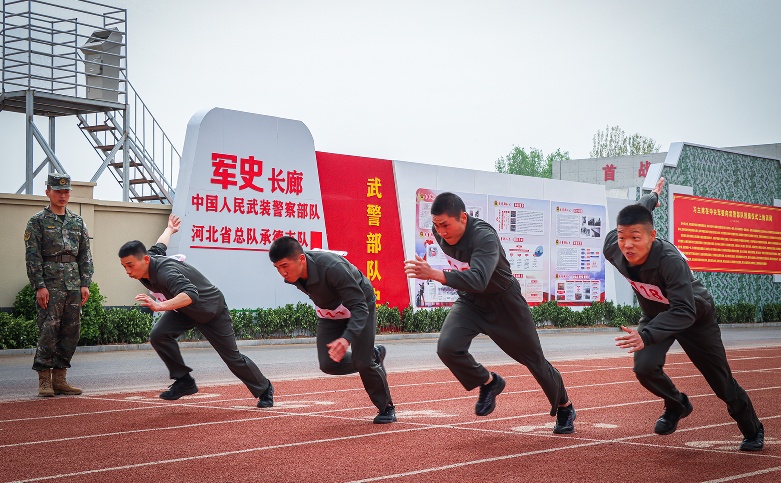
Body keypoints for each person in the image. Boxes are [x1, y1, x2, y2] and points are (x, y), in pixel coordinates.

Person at [607, 177, 764, 451]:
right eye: (622, 237)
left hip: (694, 316)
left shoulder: (670, 261)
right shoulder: (614, 247)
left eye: (635, 238)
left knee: (721, 383)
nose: (627, 245)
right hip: (656, 315)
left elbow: (683, 310)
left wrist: (646, 334)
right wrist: (651, 199)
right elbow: (638, 212)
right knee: (644, 368)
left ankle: (752, 429)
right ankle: (677, 404)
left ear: (652, 236)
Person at [404, 192, 575, 434]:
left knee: (534, 361)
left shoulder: (484, 237)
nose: (441, 231)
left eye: (445, 225)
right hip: (471, 301)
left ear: (463, 218)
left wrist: (435, 274)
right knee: (447, 347)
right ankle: (489, 382)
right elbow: (470, 283)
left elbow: (479, 279)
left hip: (505, 303)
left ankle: (564, 405)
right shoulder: (439, 233)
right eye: (436, 225)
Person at [118, 214, 274, 407]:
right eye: (124, 266)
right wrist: (170, 230)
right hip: (185, 310)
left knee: (232, 358)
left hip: (211, 310)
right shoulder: (149, 262)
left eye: (130, 266)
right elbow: (160, 246)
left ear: (146, 260)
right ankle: (185, 381)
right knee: (158, 335)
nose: (128, 271)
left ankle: (265, 388)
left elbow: (191, 294)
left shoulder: (166, 272)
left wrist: (159, 306)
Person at [268, 236, 396, 424]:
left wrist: (346, 339)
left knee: (363, 361)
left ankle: (387, 408)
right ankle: (373, 356)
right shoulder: (294, 274)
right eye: (277, 268)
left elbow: (359, 307)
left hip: (359, 304)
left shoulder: (333, 268)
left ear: (301, 259)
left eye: (285, 266)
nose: (282, 273)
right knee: (328, 364)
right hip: (330, 311)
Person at [24, 173, 94, 397]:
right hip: (50, 283)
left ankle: (60, 378)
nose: (63, 195)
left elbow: (85, 254)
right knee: (48, 329)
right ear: (48, 192)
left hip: (73, 284)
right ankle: (44, 379)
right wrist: (39, 286)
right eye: (58, 191)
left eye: (66, 191)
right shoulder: (37, 222)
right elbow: (33, 257)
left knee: (71, 330)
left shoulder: (77, 221)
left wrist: (85, 283)